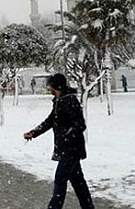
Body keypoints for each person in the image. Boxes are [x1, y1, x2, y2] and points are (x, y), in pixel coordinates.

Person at [23, 73, 94, 209]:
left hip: (72, 149)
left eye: (51, 86)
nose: (49, 88)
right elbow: (50, 121)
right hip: (66, 148)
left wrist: (67, 136)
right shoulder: (59, 101)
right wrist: (33, 133)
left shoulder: (70, 101)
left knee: (60, 179)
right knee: (78, 181)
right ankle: (88, 207)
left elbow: (80, 125)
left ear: (57, 86)